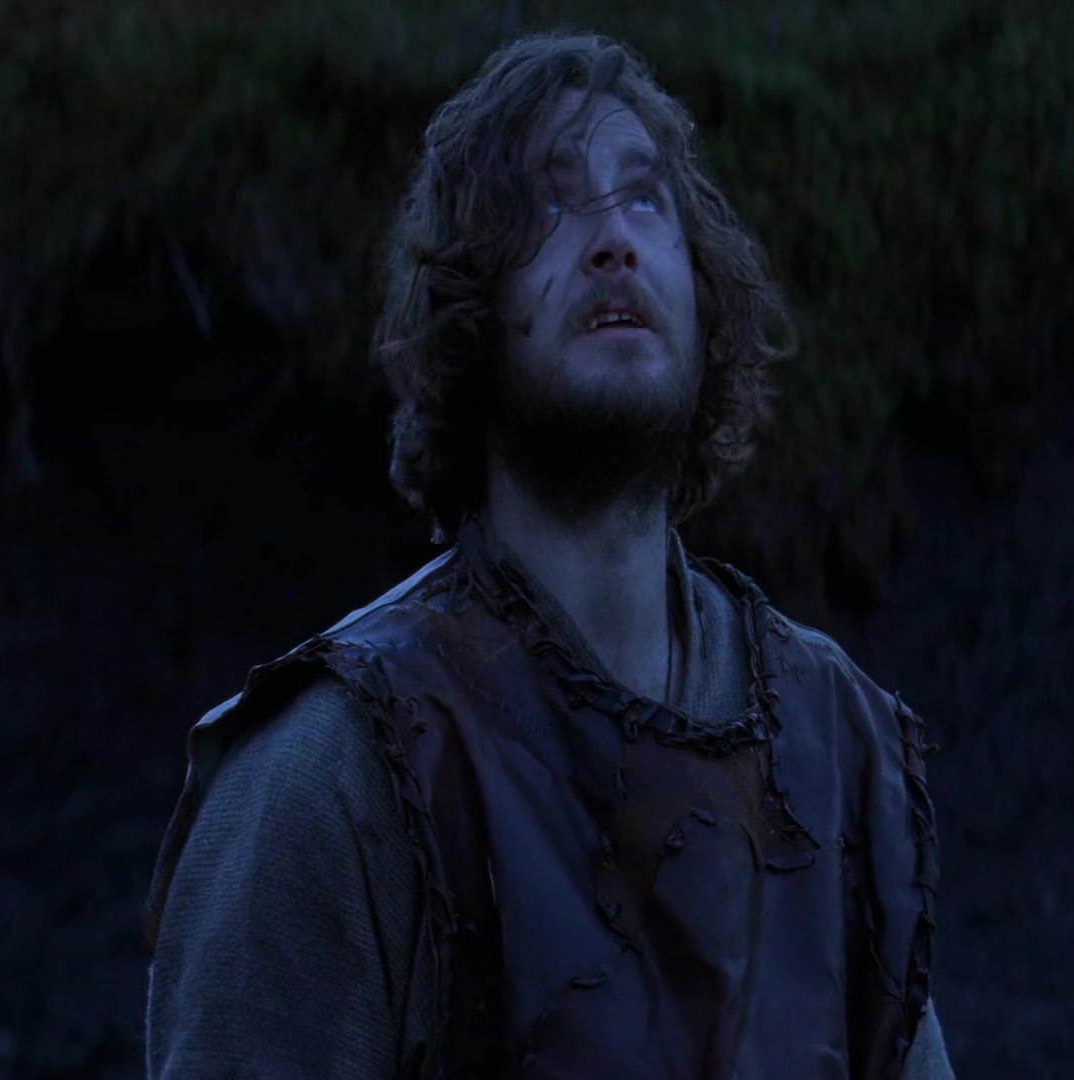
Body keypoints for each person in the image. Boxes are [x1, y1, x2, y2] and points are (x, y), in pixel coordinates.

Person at [143, 30, 951, 1079]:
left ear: (702, 295)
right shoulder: (333, 776)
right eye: (549, 206)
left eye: (645, 199)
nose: (612, 240)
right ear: (470, 313)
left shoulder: (833, 747)